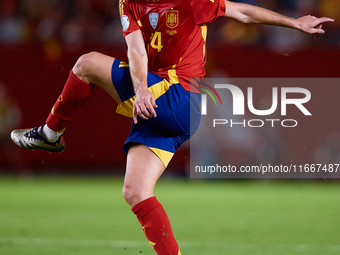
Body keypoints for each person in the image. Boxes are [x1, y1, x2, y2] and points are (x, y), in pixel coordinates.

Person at [10, 1, 333, 254]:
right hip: (169, 110)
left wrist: (293, 22)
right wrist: (141, 89)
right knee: (135, 191)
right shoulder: (129, 3)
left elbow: (242, 13)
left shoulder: (191, 1)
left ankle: (51, 135)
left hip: (179, 97)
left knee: (86, 64)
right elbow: (135, 50)